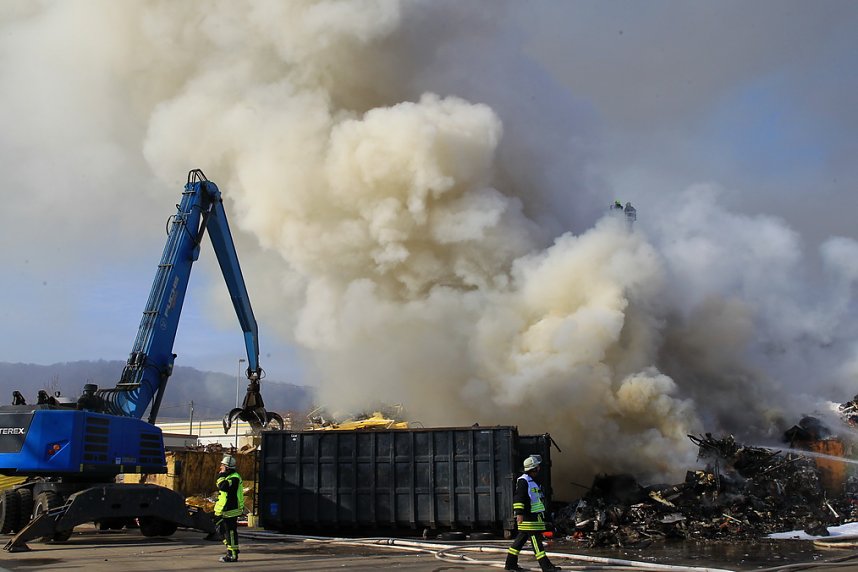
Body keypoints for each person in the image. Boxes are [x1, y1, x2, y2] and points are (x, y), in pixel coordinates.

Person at [505, 455, 561, 572]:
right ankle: (546, 567)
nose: (539, 469)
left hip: (533, 516)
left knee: (519, 542)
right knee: (536, 543)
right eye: (537, 467)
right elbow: (519, 498)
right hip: (528, 517)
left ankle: (510, 564)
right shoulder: (523, 481)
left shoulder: (532, 481)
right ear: (533, 469)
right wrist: (519, 513)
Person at [215, 454, 244, 563]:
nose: (220, 467)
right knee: (221, 530)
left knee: (230, 532)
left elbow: (223, 486)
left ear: (227, 466)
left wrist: (220, 475)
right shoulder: (228, 476)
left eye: (222, 465)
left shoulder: (234, 478)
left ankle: (232, 555)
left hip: (231, 509)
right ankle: (231, 548)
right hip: (224, 509)